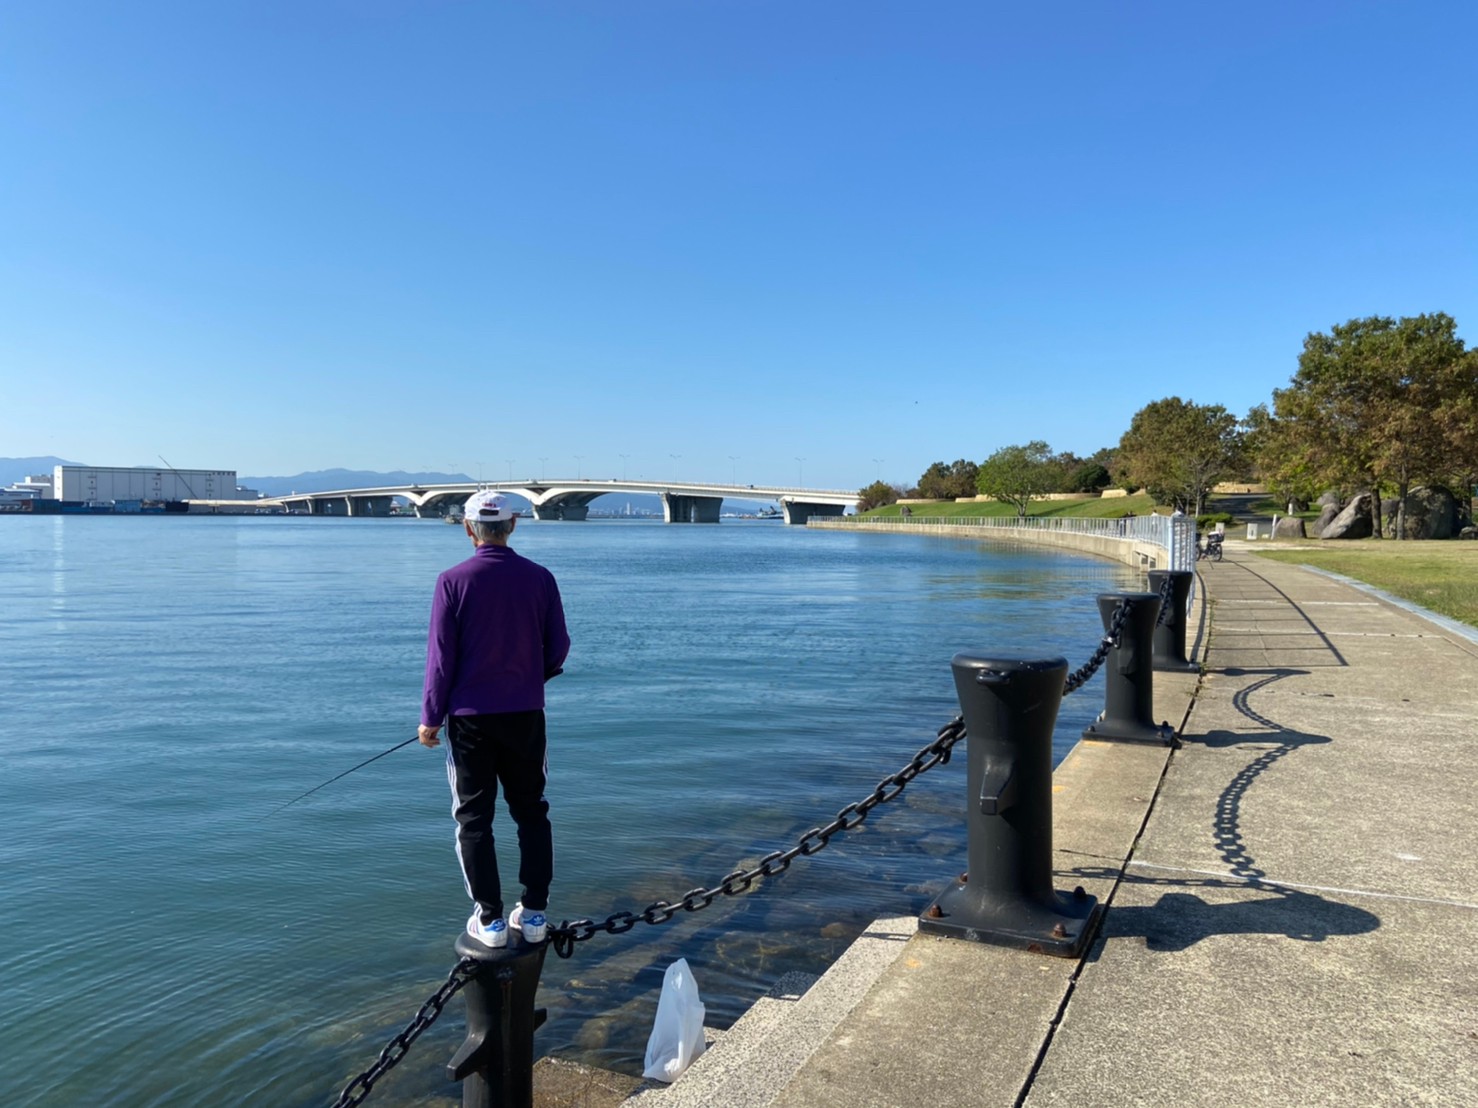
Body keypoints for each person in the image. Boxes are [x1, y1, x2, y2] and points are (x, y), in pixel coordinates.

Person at [418, 491, 570, 948]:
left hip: (470, 722)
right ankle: (536, 911)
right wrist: (528, 676)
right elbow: (559, 646)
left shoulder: (451, 581)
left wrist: (430, 718)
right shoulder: (540, 578)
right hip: (526, 715)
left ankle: (490, 920)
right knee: (531, 811)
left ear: (468, 529)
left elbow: (441, 660)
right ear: (513, 525)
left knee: (473, 820)